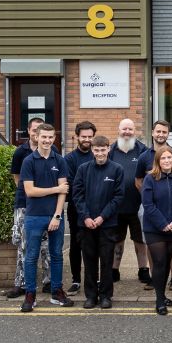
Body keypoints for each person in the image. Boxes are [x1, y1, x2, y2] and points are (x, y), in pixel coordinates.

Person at [18, 123, 73, 311]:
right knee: (31, 256)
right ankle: (30, 294)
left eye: (50, 137)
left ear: (54, 139)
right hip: (34, 216)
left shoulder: (60, 161)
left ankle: (57, 291)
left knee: (56, 254)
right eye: (44, 137)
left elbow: (64, 192)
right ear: (37, 137)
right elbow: (30, 191)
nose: (47, 140)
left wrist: (57, 216)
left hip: (55, 215)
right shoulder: (29, 161)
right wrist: (56, 189)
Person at [71, 135, 123, 310]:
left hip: (107, 224)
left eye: (103, 150)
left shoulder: (117, 169)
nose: (100, 153)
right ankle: (91, 296)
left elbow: (118, 197)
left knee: (107, 262)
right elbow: (77, 195)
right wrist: (86, 217)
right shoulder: (83, 169)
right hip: (86, 224)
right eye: (97, 150)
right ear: (92, 151)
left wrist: (102, 217)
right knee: (89, 261)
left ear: (108, 149)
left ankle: (106, 296)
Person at [134, 120, 172, 290]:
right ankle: (154, 277)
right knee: (152, 243)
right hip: (149, 206)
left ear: (168, 134)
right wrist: (149, 198)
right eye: (158, 131)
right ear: (152, 132)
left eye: (164, 132)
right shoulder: (143, 156)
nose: (161, 134)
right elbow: (138, 181)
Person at [141, 146, 172, 315]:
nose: (167, 161)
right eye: (163, 158)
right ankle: (159, 300)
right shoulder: (150, 179)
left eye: (169, 157)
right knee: (159, 262)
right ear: (157, 161)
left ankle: (162, 295)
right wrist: (162, 223)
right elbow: (148, 204)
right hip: (154, 228)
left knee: (167, 261)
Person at [3, 117, 50, 299]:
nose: (37, 133)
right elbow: (17, 178)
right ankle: (21, 284)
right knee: (24, 245)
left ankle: (48, 282)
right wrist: (30, 194)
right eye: (34, 130)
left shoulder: (51, 151)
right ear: (29, 131)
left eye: (40, 130)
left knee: (46, 246)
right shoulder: (20, 152)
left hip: (45, 205)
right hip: (24, 204)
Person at [109, 118, 149, 286]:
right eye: (124, 129)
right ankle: (114, 270)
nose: (127, 132)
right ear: (118, 130)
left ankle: (143, 269)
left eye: (130, 129)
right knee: (117, 239)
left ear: (135, 131)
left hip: (138, 204)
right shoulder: (111, 150)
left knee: (140, 240)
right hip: (116, 206)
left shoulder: (143, 150)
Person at [63, 120, 96, 296]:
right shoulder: (69, 159)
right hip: (76, 209)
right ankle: (76, 280)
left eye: (90, 137)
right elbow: (72, 185)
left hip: (96, 210)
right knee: (76, 245)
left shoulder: (97, 155)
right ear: (77, 136)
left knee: (94, 246)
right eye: (84, 136)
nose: (87, 140)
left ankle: (94, 279)